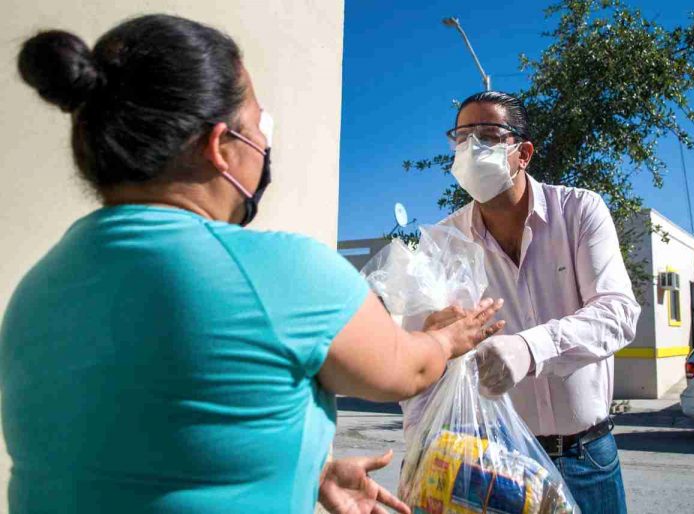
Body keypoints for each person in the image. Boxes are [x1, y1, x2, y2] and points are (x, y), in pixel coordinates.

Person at [0, 15, 507, 514]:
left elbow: (142, 438)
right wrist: (448, 337)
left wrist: (303, 468)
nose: (265, 143)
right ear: (221, 145)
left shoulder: (38, 288)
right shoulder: (285, 272)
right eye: (260, 124)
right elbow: (408, 369)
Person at [401, 91, 641, 514]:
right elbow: (416, 370)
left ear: (523, 152)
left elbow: (617, 313)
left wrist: (528, 348)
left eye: (488, 135)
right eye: (462, 137)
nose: (472, 148)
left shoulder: (579, 212)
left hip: (587, 457)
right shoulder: (441, 243)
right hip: (494, 464)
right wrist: (418, 452)